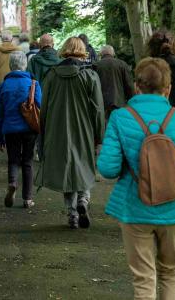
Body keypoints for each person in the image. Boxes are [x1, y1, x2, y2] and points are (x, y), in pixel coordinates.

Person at [98, 57, 175, 300]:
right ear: (168, 89)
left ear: (137, 86)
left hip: (135, 209)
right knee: (170, 272)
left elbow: (108, 168)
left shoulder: (121, 118)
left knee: (143, 279)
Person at [36, 37, 104, 229]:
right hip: (84, 129)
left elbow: (45, 107)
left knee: (65, 170)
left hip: (57, 130)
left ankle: (72, 213)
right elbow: (98, 109)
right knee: (84, 165)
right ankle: (83, 200)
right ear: (83, 51)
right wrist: (99, 134)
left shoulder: (51, 75)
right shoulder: (90, 75)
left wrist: (43, 132)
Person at [0, 51, 42, 209]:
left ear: (10, 66)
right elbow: (40, 106)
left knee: (13, 160)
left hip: (10, 129)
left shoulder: (3, 86)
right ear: (25, 65)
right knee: (27, 162)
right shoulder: (33, 84)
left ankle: (13, 183)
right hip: (29, 129)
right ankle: (28, 199)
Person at [94, 45, 135, 119]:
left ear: (101, 54)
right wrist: (132, 103)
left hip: (101, 105)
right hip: (119, 103)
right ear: (113, 54)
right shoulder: (122, 64)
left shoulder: (96, 66)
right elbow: (129, 86)